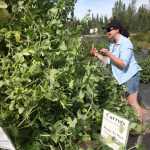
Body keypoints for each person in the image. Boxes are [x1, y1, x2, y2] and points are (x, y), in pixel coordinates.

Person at [90, 20, 150, 122]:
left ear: (117, 30)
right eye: (106, 30)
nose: (107, 32)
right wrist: (97, 55)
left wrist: (109, 54)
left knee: (132, 103)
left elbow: (122, 64)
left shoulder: (126, 43)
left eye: (109, 29)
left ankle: (141, 125)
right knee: (125, 102)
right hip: (122, 79)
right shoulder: (113, 45)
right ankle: (134, 123)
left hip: (130, 76)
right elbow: (108, 61)